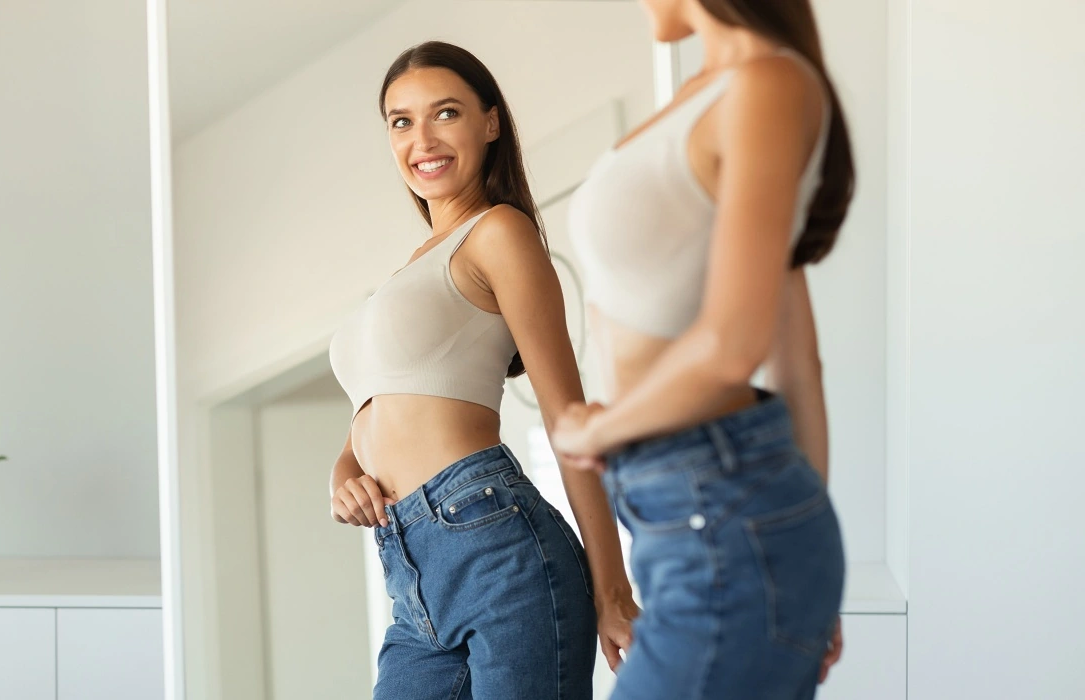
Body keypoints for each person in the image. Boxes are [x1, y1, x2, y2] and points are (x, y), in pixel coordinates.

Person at [552, 1, 854, 697]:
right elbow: (796, 359)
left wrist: (596, 427)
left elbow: (735, 345)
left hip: (724, 514)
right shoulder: (708, 95)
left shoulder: (769, 84)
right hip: (693, 517)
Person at [327, 41, 639, 699]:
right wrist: (343, 478)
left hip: (494, 545)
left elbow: (569, 421)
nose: (422, 138)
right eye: (401, 121)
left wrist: (613, 590)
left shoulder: (497, 233)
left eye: (446, 112)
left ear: (490, 122)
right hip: (409, 570)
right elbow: (372, 422)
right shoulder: (406, 271)